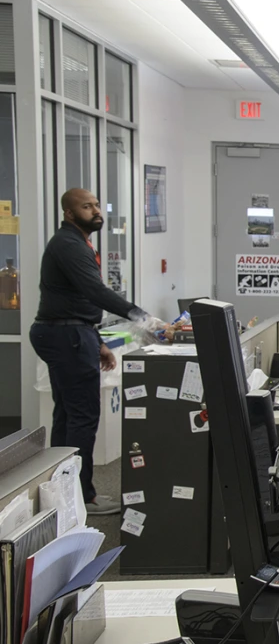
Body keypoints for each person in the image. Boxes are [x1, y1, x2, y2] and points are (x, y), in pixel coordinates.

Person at [30, 189, 166, 516]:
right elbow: (94, 291)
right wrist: (142, 317)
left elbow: (78, 300)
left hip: (71, 332)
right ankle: (82, 496)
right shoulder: (69, 245)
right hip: (66, 335)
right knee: (83, 416)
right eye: (85, 206)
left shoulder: (78, 243)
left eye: (95, 205)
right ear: (69, 213)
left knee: (66, 415)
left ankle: (62, 495)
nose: (94, 210)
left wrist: (97, 340)